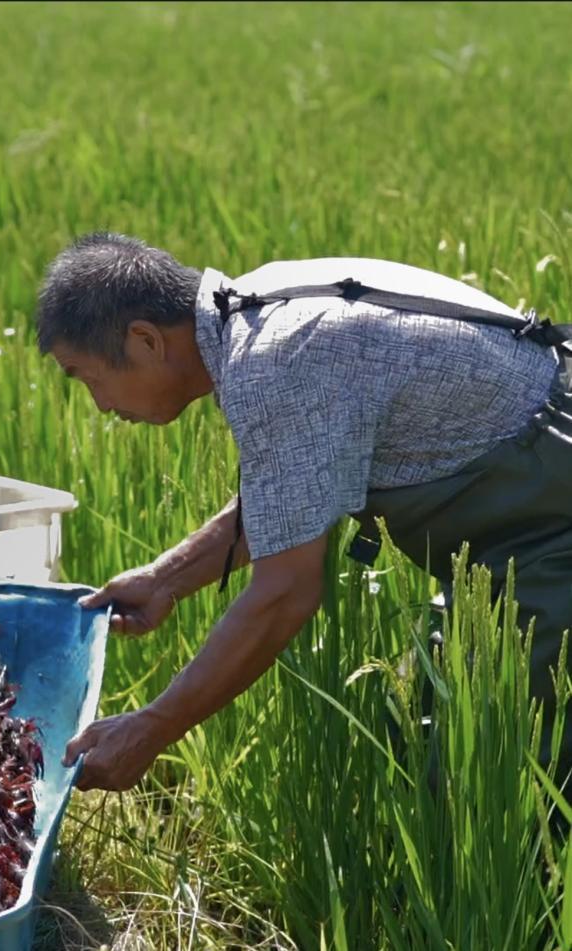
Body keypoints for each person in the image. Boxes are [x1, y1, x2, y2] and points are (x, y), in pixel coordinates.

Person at [37, 233, 572, 791]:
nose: (101, 404)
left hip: (552, 533)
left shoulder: (274, 363)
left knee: (483, 787)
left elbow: (285, 593)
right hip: (526, 525)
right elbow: (294, 488)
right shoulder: (254, 306)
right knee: (415, 732)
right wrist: (165, 580)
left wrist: (151, 728)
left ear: (146, 340)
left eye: (90, 378)